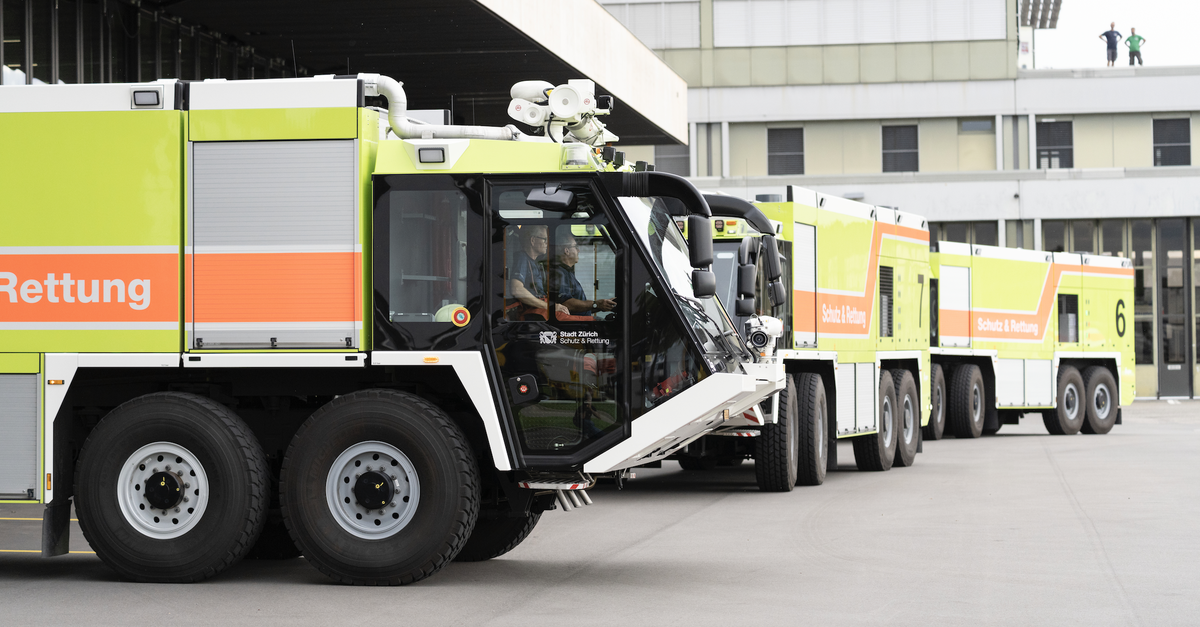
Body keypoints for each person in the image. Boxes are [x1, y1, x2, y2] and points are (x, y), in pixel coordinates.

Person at [551, 229, 616, 318]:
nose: (579, 251)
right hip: (577, 325)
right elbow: (567, 304)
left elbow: (581, 308)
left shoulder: (568, 273)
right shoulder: (559, 273)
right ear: (566, 251)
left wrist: (602, 305)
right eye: (575, 247)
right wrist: (596, 304)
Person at [509, 225, 569, 318]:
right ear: (532, 240)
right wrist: (549, 307)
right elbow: (517, 289)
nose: (547, 243)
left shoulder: (536, 263)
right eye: (544, 239)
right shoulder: (522, 258)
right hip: (533, 311)